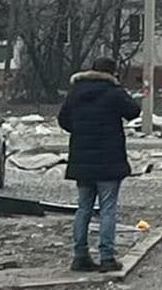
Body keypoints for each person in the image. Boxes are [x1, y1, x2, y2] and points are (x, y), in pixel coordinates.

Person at [58, 57, 141, 273]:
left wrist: (81, 131)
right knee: (107, 209)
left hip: (82, 160)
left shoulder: (75, 92)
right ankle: (107, 257)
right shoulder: (113, 92)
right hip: (109, 159)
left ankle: (80, 256)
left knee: (84, 208)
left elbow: (63, 119)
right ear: (112, 73)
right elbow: (134, 111)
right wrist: (120, 87)